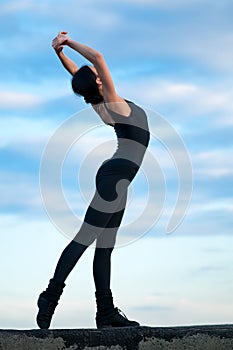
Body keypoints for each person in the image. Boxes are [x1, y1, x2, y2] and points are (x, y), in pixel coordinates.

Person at [36, 32, 150, 329]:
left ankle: (106, 313)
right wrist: (69, 42)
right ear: (99, 82)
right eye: (98, 75)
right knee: (85, 237)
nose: (100, 73)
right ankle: (50, 296)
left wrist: (59, 54)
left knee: (104, 247)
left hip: (117, 180)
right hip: (114, 177)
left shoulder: (97, 100)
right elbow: (97, 58)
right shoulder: (110, 101)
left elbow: (79, 74)